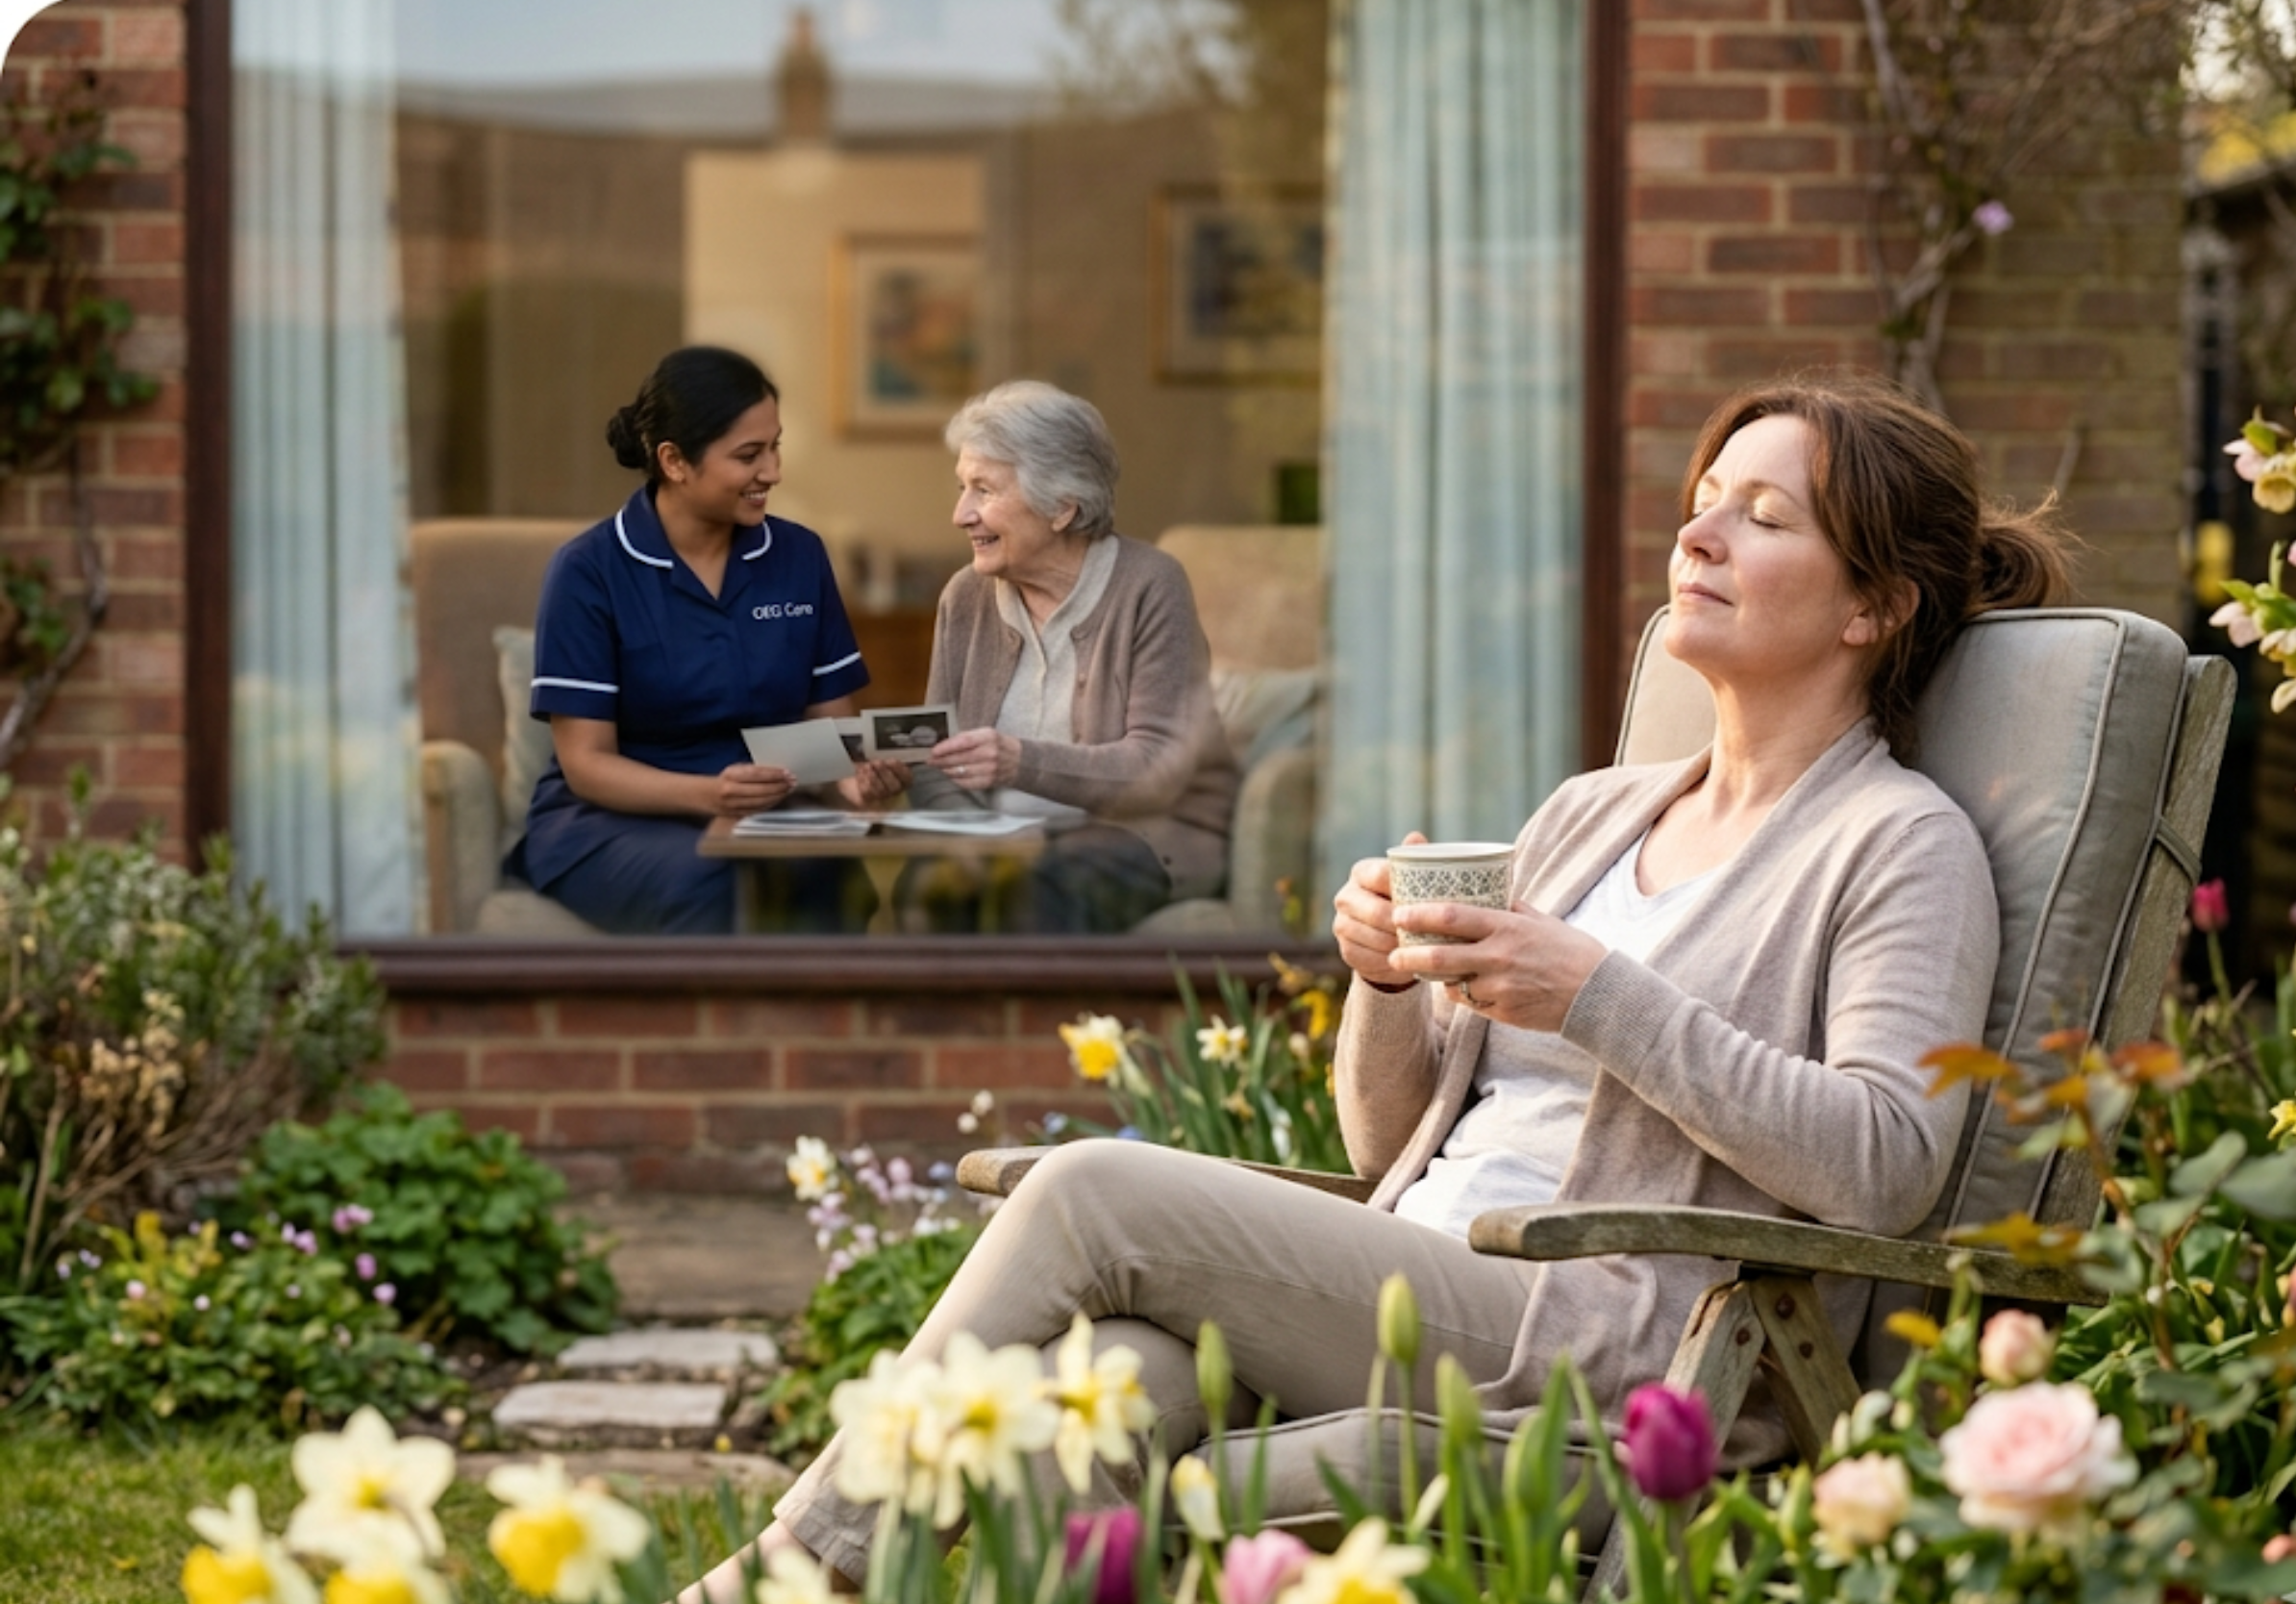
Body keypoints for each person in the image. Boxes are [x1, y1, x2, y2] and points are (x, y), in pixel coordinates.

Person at [684, 372, 2068, 1596]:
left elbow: (1888, 1164)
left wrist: (1596, 993)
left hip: (1605, 1335)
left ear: (1874, 606)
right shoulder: (1594, 814)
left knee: (1089, 1188)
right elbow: (1384, 1147)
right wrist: (1388, 985)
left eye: (1763, 518)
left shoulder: (1897, 844)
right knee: (1093, 1393)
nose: (1698, 535)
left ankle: (798, 1570)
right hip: (1424, 1277)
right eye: (1703, 502)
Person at [506, 346, 908, 935]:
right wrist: (711, 795)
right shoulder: (589, 570)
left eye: (775, 447)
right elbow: (587, 764)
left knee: (830, 873)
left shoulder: (799, 556)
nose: (772, 472)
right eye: (749, 455)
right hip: (612, 821)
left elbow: (831, 733)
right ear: (673, 460)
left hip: (763, 812)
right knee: (706, 876)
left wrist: (855, 779)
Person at [899, 380, 1238, 934]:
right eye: (963, 487)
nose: (961, 514)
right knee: (926, 887)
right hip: (1001, 841)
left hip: (1139, 836)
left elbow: (1158, 768)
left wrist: (1017, 761)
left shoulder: (1149, 587)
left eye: (984, 490)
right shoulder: (965, 597)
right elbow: (934, 759)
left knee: (1045, 885)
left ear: (1061, 507)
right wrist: (966, 838)